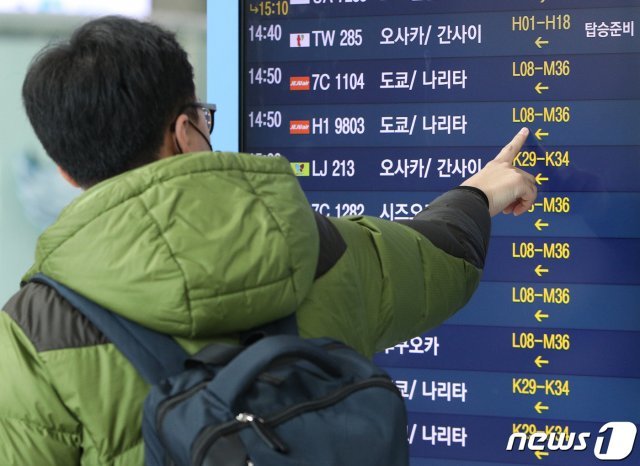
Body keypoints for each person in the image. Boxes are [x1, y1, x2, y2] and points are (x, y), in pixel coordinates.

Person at [0, 16, 536, 465]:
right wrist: (478, 192)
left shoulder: (29, 333)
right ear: (185, 132)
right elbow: (438, 258)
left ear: (66, 171)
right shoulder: (319, 252)